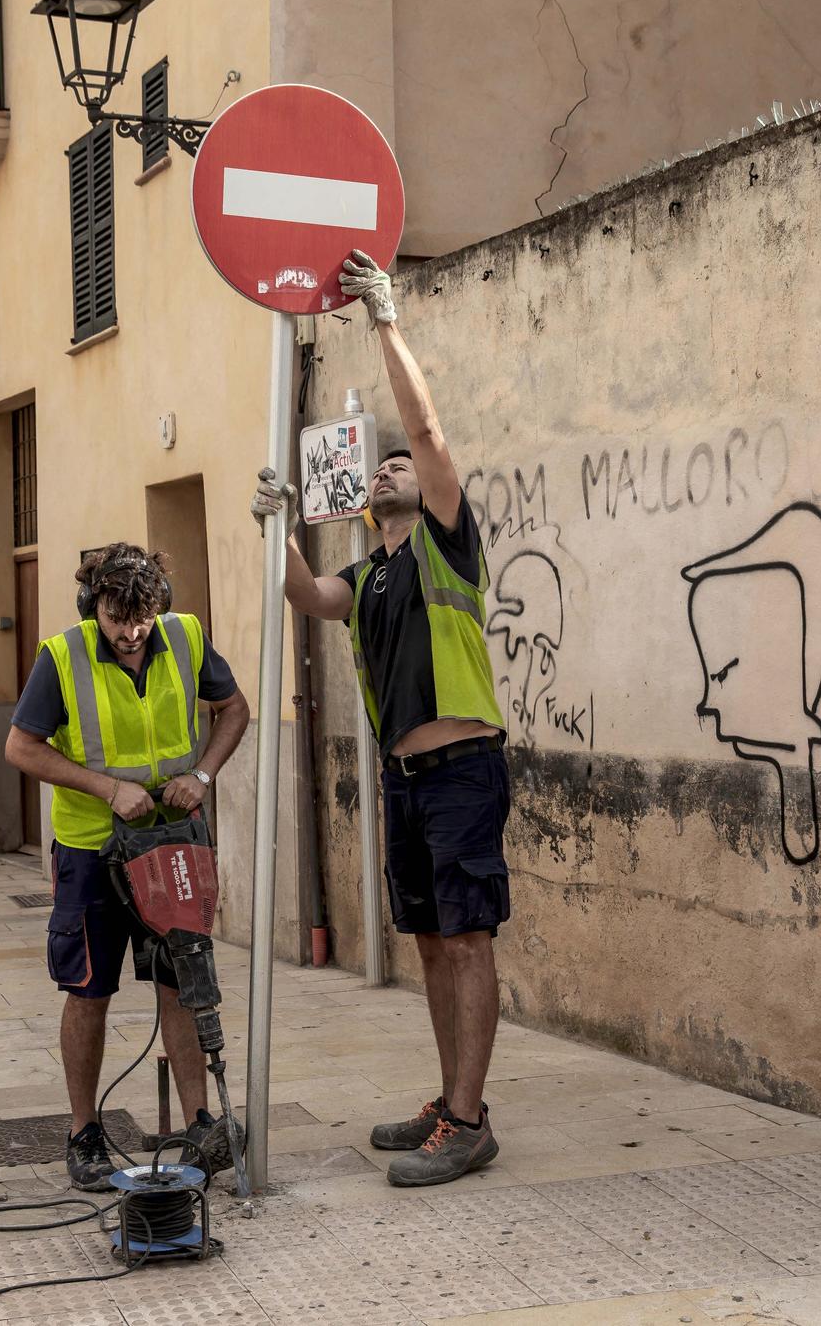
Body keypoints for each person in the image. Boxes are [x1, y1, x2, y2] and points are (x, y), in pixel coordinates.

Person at [252, 249, 511, 1188]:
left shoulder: (446, 540)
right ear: (367, 504)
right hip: (405, 782)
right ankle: (451, 1102)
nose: (395, 466)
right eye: (383, 467)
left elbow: (432, 428)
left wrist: (385, 319)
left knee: (469, 934)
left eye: (403, 463)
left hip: (463, 770)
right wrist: (274, 519)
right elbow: (301, 592)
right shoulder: (364, 576)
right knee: (433, 941)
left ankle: (472, 1120)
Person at [3, 544, 251, 1192]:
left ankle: (201, 1124)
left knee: (183, 980)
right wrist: (105, 787)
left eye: (143, 618)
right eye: (118, 618)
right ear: (94, 607)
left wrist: (203, 773)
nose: (132, 632)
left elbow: (235, 709)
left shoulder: (186, 635)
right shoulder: (63, 657)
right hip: (91, 850)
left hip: (171, 843)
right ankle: (84, 1132)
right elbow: (20, 746)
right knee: (90, 991)